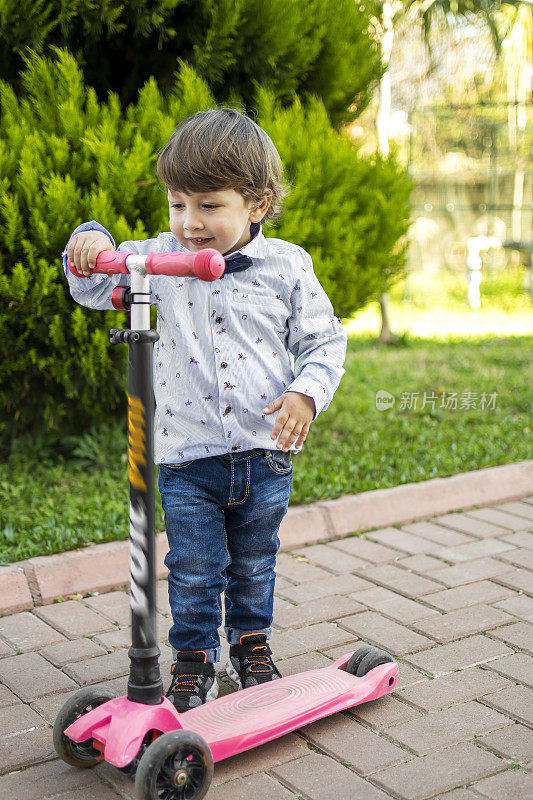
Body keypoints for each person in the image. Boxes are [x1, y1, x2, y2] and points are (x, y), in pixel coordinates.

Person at [64, 108, 347, 712]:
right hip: (187, 455)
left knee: (253, 562)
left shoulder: (288, 266)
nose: (189, 224)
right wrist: (90, 242)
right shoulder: (160, 260)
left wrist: (305, 394)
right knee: (194, 568)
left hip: (266, 455)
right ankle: (193, 661)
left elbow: (324, 342)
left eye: (208, 206)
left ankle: (251, 646)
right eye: (177, 204)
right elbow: (92, 285)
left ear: (258, 203)